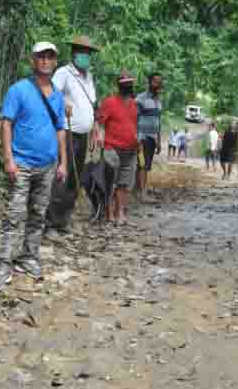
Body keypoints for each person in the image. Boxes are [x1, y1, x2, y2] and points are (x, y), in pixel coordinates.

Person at [0, 43, 67, 293]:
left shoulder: (57, 95)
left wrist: (63, 162)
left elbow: (60, 129)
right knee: (14, 215)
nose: (45, 61)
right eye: (41, 57)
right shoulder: (19, 90)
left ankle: (29, 257)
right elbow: (6, 123)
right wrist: (8, 159)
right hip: (21, 163)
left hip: (47, 164)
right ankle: (3, 265)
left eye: (50, 57)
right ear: (33, 60)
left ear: (55, 62)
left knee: (38, 214)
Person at [45, 35, 99, 241]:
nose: (85, 56)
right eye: (82, 52)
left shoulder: (89, 76)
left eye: (88, 53)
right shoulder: (64, 73)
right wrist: (62, 104)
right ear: (74, 53)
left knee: (74, 179)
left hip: (83, 134)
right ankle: (50, 224)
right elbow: (50, 93)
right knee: (62, 176)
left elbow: (92, 104)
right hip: (66, 132)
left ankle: (63, 221)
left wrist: (94, 127)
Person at [97, 71, 139, 224]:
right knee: (110, 181)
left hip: (131, 149)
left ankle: (120, 211)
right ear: (119, 85)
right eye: (124, 83)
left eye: (129, 83)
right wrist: (99, 136)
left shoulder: (134, 104)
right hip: (112, 147)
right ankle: (109, 211)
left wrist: (138, 140)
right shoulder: (109, 102)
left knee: (124, 182)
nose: (127, 85)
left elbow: (134, 124)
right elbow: (100, 122)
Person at [135, 72, 164, 196]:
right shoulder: (141, 98)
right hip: (142, 137)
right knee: (142, 164)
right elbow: (134, 118)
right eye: (155, 81)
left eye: (159, 82)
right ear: (149, 82)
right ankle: (142, 193)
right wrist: (137, 137)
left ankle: (141, 190)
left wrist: (159, 140)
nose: (158, 84)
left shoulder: (158, 101)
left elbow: (158, 122)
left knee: (146, 165)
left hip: (152, 138)